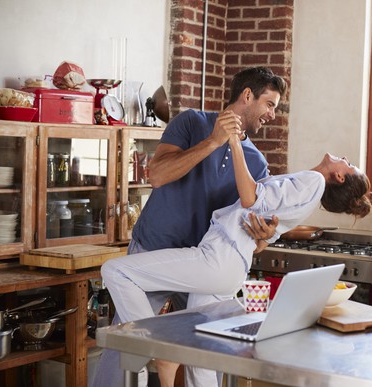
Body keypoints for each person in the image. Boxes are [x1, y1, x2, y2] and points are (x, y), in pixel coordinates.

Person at [101, 128, 372, 386]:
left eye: (350, 166)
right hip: (231, 266)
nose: (346, 160)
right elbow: (260, 239)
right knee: (201, 356)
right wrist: (264, 235)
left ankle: (156, 347)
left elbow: (250, 197)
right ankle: (160, 349)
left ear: (340, 177)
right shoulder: (309, 192)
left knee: (116, 271)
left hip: (218, 258)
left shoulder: (312, 181)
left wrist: (233, 142)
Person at [93, 67, 287, 387]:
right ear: (247, 95)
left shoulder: (256, 163)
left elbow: (249, 233)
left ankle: (166, 359)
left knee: (207, 347)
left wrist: (266, 235)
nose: (273, 114)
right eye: (270, 104)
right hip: (155, 247)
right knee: (126, 342)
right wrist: (213, 142)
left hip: (201, 262)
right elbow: (158, 175)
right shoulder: (191, 122)